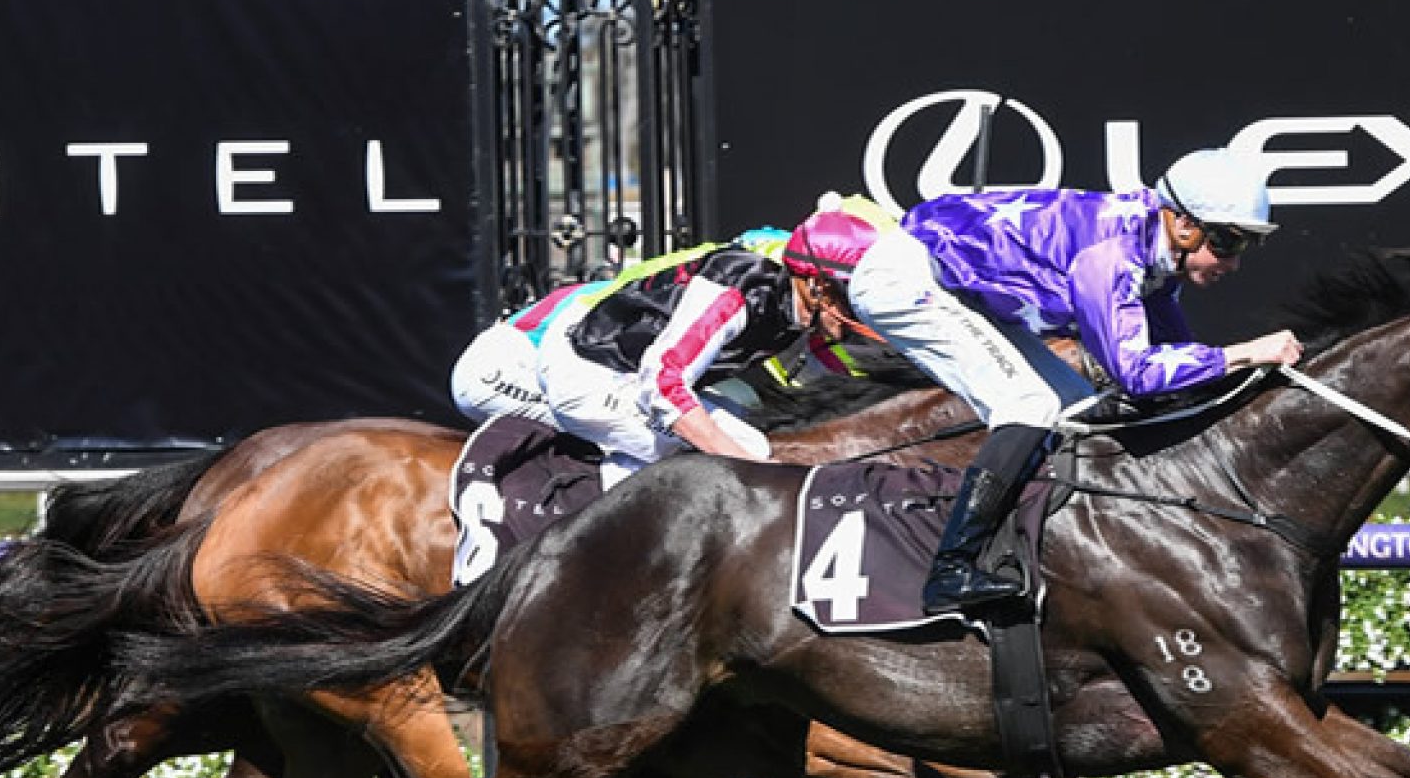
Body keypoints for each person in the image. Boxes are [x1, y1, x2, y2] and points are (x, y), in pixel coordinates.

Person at [846, 147, 1306, 615]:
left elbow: (1178, 359)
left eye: (1245, 246)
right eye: (1227, 243)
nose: (1233, 263)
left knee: (1075, 405)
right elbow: (1139, 374)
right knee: (1028, 405)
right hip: (906, 280)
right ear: (1183, 224)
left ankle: (1028, 540)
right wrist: (1243, 352)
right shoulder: (1110, 258)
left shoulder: (1157, 252)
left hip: (962, 287)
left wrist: (1240, 376)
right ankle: (950, 571)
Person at [450, 202, 887, 491]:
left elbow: (827, 386)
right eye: (851, 292)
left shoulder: (794, 310)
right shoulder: (740, 286)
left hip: (610, 361)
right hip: (552, 368)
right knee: (729, 450)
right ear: (815, 284)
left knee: (743, 425)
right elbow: (663, 381)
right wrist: (742, 461)